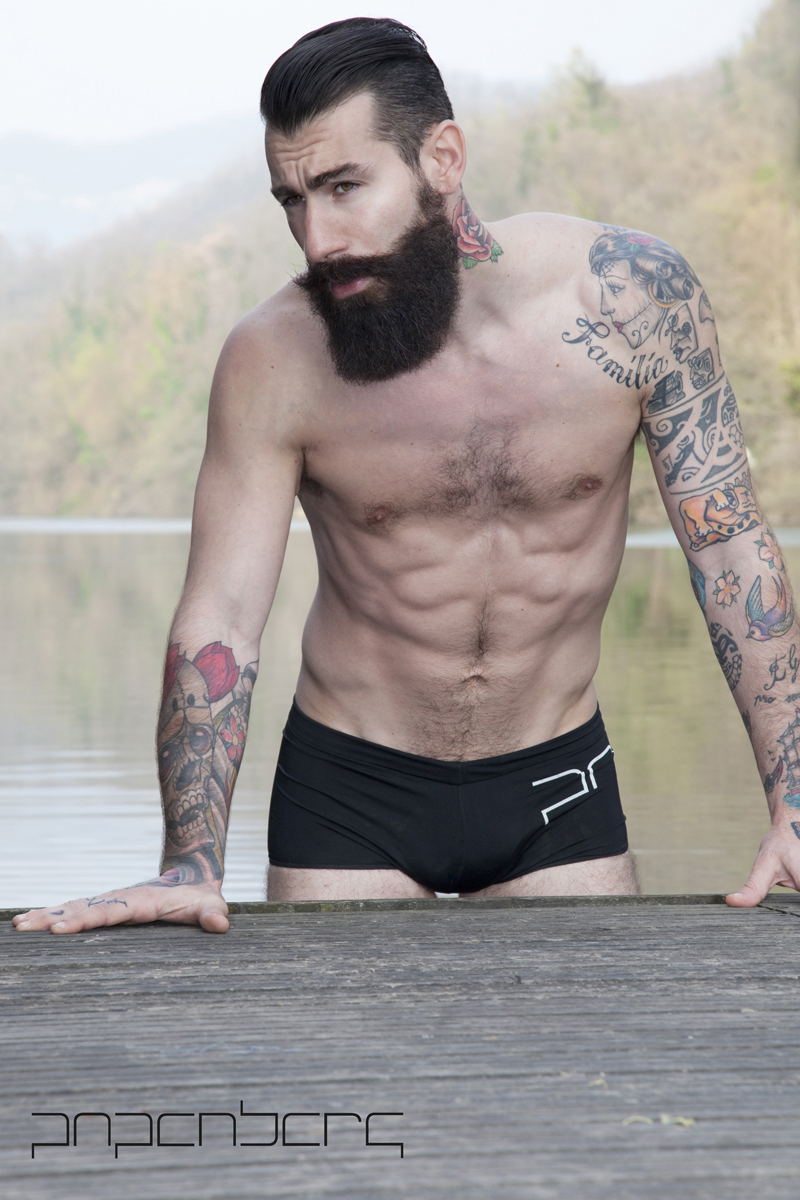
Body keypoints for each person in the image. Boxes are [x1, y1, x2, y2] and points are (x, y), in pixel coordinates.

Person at [14, 17, 800, 936]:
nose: (318, 239)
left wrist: (792, 807)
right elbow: (221, 617)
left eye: (344, 187)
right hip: (349, 793)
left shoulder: (632, 300)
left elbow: (729, 553)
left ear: (443, 158)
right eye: (292, 200)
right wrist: (190, 863)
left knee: (582, 1029)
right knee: (338, 1029)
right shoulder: (276, 359)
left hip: (556, 781)